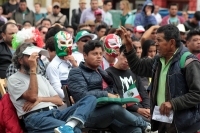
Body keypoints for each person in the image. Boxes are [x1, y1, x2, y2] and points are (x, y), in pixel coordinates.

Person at [118, 25, 200, 133]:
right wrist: (129, 46)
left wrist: (173, 103)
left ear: (171, 42)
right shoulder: (158, 60)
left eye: (159, 40)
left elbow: (197, 94)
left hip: (183, 126)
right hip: (163, 123)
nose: (156, 43)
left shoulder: (188, 62)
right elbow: (138, 67)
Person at [7, 42, 97, 133]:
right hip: (36, 117)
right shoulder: (13, 79)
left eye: (37, 56)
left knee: (90, 98)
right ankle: (69, 127)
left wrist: (40, 99)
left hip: (55, 113)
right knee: (76, 131)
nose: (36, 59)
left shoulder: (41, 77)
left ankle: (70, 125)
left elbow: (58, 101)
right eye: (31, 56)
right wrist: (33, 69)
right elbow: (33, 97)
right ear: (20, 60)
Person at [67, 40, 151, 133]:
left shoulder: (101, 71)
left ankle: (144, 126)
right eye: (95, 54)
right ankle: (145, 125)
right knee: (115, 109)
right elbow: (81, 96)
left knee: (135, 129)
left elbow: (140, 92)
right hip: (86, 115)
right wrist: (107, 94)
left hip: (107, 112)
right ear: (85, 55)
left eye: (100, 53)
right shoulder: (76, 72)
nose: (99, 56)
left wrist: (117, 99)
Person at [106, 45, 150, 122]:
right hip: (126, 111)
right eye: (124, 56)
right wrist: (138, 109)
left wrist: (147, 109)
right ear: (118, 53)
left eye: (130, 58)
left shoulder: (134, 72)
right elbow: (118, 97)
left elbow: (143, 93)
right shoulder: (109, 73)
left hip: (141, 110)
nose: (126, 60)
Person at [46, 31, 77, 99]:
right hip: (66, 101)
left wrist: (75, 64)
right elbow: (56, 88)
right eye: (63, 43)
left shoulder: (73, 60)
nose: (66, 46)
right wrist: (69, 98)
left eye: (69, 42)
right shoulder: (53, 66)